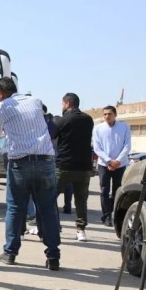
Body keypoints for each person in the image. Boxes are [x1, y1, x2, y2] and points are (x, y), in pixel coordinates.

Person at [0, 78, 61, 269]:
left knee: (15, 208)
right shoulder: (35, 101)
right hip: (46, 161)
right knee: (48, 209)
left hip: (20, 163)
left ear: (0, 93)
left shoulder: (1, 107)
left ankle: (10, 253)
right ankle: (53, 255)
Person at [53, 92, 94, 241]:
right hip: (84, 166)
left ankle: (48, 225)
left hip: (64, 165)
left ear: (67, 103)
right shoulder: (88, 119)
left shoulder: (63, 120)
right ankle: (81, 230)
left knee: (50, 197)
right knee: (81, 200)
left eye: (62, 104)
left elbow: (52, 135)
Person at [92, 105, 131, 226]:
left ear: (115, 115)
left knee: (117, 190)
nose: (107, 116)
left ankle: (115, 215)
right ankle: (106, 216)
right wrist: (109, 161)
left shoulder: (124, 127)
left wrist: (117, 161)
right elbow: (97, 148)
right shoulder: (98, 128)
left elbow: (127, 146)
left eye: (110, 114)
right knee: (104, 190)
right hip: (104, 164)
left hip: (120, 164)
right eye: (105, 114)